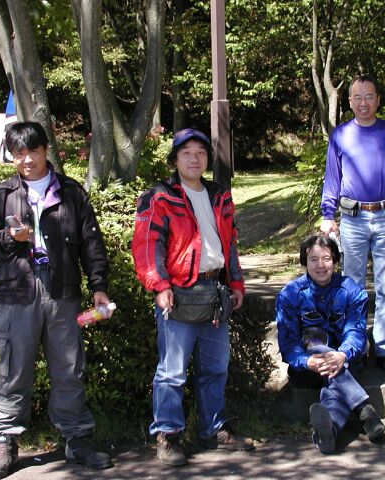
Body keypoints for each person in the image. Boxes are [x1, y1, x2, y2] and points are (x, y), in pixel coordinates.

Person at [0, 122, 114, 479]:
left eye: (32, 151)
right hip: (17, 292)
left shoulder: (71, 192)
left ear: (45, 150)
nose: (27, 160)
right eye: (19, 153)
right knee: (13, 368)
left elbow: (91, 243)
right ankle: (5, 441)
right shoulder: (2, 195)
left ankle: (76, 439)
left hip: (63, 291)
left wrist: (99, 285)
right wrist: (10, 237)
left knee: (69, 367)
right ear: (12, 156)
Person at [131, 128, 254, 467]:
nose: (194, 158)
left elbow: (230, 243)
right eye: (186, 153)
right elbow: (147, 245)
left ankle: (213, 430)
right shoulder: (160, 196)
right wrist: (159, 286)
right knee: (172, 372)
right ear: (175, 159)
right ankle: (168, 436)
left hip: (215, 291)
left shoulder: (219, 195)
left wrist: (236, 283)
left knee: (215, 367)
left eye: (200, 152)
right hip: (178, 292)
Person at [320, 75, 385, 374]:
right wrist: (327, 214)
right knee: (353, 287)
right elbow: (332, 178)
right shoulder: (341, 135)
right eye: (358, 97)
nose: (363, 103)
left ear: (378, 99)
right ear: (349, 101)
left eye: (369, 96)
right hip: (353, 219)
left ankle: (384, 346)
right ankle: (356, 346)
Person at [275, 235, 385, 454]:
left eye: (326, 259)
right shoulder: (290, 295)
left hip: (346, 362)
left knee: (333, 384)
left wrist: (342, 355)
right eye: (314, 259)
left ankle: (329, 432)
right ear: (305, 262)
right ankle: (364, 410)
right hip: (306, 369)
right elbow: (288, 344)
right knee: (316, 346)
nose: (320, 265)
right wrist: (307, 361)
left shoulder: (351, 291)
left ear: (335, 261)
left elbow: (355, 332)